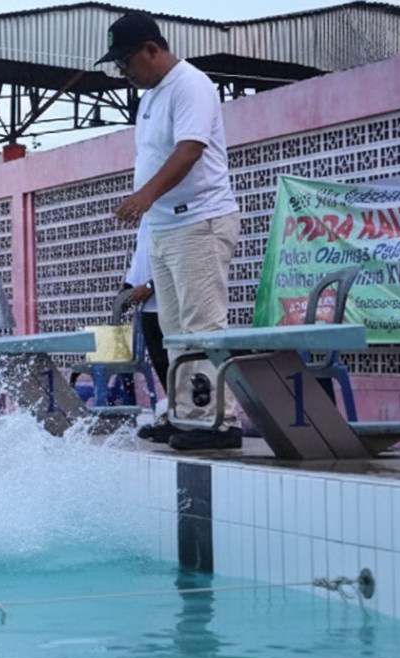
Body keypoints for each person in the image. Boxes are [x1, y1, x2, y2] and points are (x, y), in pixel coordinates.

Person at [98, 12, 241, 451]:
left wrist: (145, 196)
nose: (124, 73)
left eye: (126, 62)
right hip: (165, 228)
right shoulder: (152, 97)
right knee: (173, 331)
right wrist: (149, 210)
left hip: (199, 221)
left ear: (151, 49)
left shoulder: (190, 84)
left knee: (201, 327)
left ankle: (219, 422)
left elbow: (190, 150)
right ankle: (185, 413)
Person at [123, 222, 169, 395]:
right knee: (162, 365)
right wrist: (128, 285)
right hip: (147, 309)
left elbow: (180, 262)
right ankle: (175, 411)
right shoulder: (147, 219)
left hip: (169, 306)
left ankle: (191, 414)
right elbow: (140, 257)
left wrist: (151, 286)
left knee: (179, 364)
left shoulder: (170, 215)